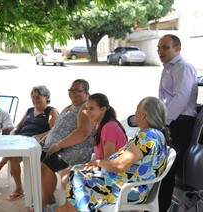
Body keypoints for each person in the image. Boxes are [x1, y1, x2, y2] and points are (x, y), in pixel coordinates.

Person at [58, 96, 170, 212]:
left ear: (144, 115)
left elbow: (120, 165)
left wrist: (99, 163)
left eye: (137, 110)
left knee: (76, 176)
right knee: (75, 174)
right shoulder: (155, 135)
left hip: (128, 189)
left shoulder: (148, 136)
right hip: (124, 183)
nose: (135, 114)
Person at [0, 85, 59, 201]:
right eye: (33, 97)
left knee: (13, 152)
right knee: (13, 152)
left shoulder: (51, 111)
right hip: (21, 140)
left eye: (38, 97)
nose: (35, 100)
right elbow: (19, 126)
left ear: (46, 97)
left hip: (36, 144)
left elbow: (55, 131)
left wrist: (39, 136)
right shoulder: (30, 110)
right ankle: (16, 187)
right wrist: (13, 133)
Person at [157, 34, 198, 212]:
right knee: (160, 168)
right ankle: (156, 205)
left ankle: (162, 208)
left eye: (165, 47)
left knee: (168, 170)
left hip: (180, 122)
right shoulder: (168, 68)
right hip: (169, 121)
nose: (160, 51)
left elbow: (181, 98)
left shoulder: (183, 67)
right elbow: (164, 98)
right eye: (158, 48)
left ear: (177, 48)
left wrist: (163, 122)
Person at [40, 79, 95, 207]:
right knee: (32, 158)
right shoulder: (68, 107)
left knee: (45, 165)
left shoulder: (85, 108)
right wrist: (42, 137)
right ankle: (41, 196)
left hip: (74, 151)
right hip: (56, 147)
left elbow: (83, 132)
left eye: (77, 90)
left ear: (86, 93)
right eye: (71, 90)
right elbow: (56, 129)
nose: (73, 93)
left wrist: (58, 145)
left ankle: (48, 203)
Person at [86, 93, 127, 160]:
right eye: (87, 108)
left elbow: (108, 161)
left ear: (103, 109)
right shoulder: (101, 126)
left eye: (91, 109)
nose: (87, 112)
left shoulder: (109, 127)